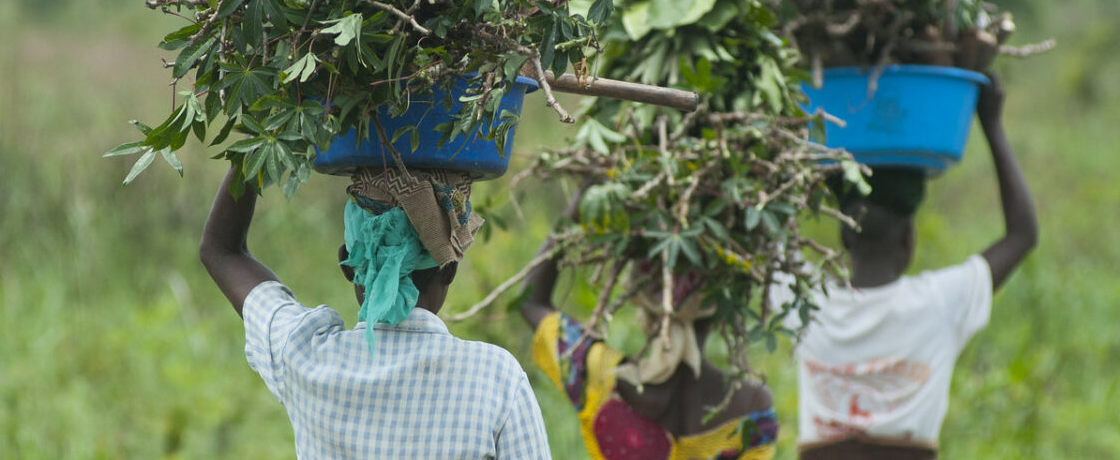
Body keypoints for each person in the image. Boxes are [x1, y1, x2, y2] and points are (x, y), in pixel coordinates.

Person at [199, 164, 551, 460]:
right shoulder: (496, 378)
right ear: (449, 269)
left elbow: (221, 251)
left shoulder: (304, 355)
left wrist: (260, 141)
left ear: (348, 265)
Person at [792, 75, 1038, 460]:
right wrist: (991, 123)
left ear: (845, 238)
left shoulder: (804, 301)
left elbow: (758, 230)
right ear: (908, 241)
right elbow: (1022, 234)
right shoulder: (939, 304)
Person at [517, 188, 781, 460]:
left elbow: (530, 302)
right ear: (721, 306)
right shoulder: (752, 407)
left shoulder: (598, 376)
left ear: (641, 300)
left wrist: (579, 201)